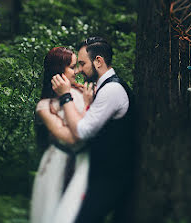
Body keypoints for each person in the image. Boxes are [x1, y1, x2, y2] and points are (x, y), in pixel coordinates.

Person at [51, 37, 134, 223]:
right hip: (102, 175)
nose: (79, 70)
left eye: (82, 64)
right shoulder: (104, 88)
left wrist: (65, 96)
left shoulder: (112, 90)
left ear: (98, 61)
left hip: (111, 178)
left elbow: (82, 131)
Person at [30, 46, 94, 223]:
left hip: (84, 162)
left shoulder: (84, 92)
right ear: (59, 71)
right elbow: (73, 137)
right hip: (57, 164)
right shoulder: (45, 106)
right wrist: (67, 96)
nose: (78, 71)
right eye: (73, 67)